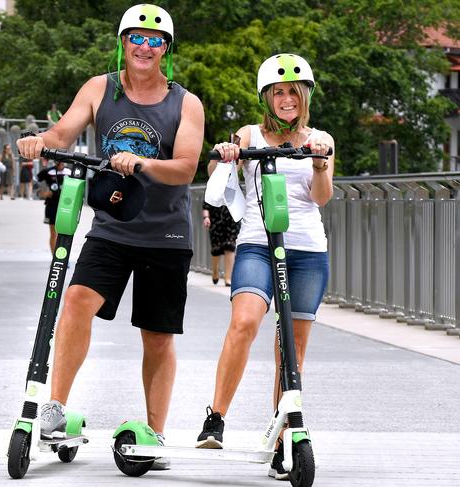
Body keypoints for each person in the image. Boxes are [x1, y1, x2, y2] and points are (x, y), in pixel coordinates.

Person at [17, 4, 204, 471]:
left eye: (155, 40)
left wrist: (139, 163)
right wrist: (41, 139)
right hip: (112, 228)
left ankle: (155, 433)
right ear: (122, 42)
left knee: (157, 336)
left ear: (166, 49)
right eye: (135, 37)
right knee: (77, 298)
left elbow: (185, 168)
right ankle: (55, 409)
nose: (145, 46)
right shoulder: (101, 88)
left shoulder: (186, 103)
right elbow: (65, 129)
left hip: (166, 233)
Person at [194, 53, 334, 481]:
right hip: (257, 243)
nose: (287, 99)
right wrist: (228, 152)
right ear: (266, 97)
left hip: (307, 250)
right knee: (245, 322)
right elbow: (226, 164)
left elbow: (321, 198)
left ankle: (280, 440)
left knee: (291, 348)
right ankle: (215, 417)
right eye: (279, 92)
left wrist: (320, 161)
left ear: (305, 96)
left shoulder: (320, 138)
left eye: (294, 91)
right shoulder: (250, 132)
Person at [36, 160, 72, 254]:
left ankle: (62, 257)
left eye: (62, 162)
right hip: (52, 205)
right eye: (58, 162)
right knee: (53, 233)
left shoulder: (70, 171)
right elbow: (36, 180)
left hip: (66, 206)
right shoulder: (49, 171)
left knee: (64, 234)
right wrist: (42, 193)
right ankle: (54, 258)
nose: (61, 164)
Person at [202, 202, 240, 286]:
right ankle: (215, 271)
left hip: (232, 219)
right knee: (216, 249)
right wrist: (206, 217)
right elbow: (206, 204)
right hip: (215, 219)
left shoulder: (236, 187)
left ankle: (228, 277)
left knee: (230, 246)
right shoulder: (212, 188)